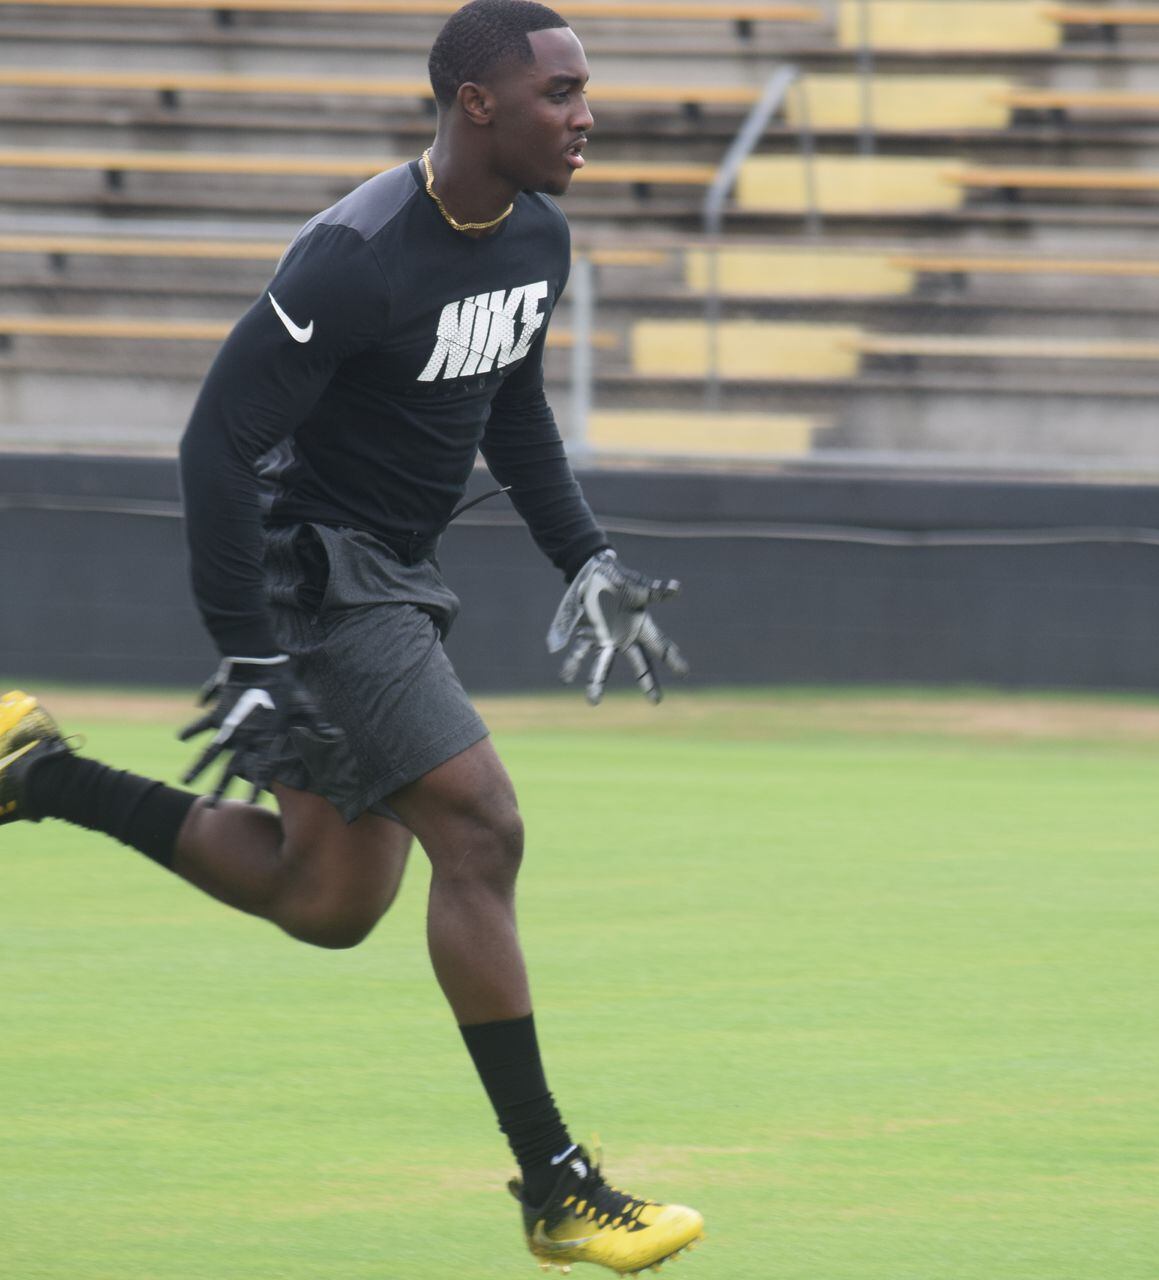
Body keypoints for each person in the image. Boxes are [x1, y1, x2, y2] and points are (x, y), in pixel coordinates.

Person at [0, 1, 702, 1273]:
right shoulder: (356, 252)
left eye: (586, 89)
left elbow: (516, 412)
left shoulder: (536, 236)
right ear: (475, 103)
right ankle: (555, 1180)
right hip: (314, 576)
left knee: (324, 899)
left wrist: (584, 553)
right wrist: (251, 653)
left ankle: (36, 771)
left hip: (391, 575)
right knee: (483, 824)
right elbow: (213, 441)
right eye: (560, 91)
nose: (587, 113)